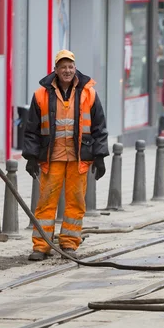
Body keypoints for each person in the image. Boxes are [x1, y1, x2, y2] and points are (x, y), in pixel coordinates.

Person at [23, 50, 109, 261]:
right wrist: (31, 157)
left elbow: (99, 127)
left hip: (78, 158)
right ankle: (41, 246)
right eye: (63, 67)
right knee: (45, 202)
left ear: (75, 68)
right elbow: (31, 129)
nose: (67, 70)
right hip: (51, 158)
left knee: (76, 202)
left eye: (70, 66)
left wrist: (100, 156)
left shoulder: (89, 94)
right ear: (56, 70)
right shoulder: (40, 95)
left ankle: (69, 244)